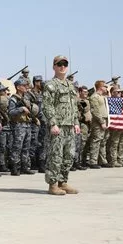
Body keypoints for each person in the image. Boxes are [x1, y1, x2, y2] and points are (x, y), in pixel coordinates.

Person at [42, 55, 81, 195]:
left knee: (69, 155)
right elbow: (47, 105)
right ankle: (52, 184)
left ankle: (62, 182)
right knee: (55, 155)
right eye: (59, 64)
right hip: (58, 126)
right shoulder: (50, 85)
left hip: (69, 126)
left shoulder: (70, 85)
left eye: (65, 64)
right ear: (54, 67)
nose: (62, 66)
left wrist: (76, 122)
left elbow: (74, 106)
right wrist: (53, 123)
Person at [7, 78, 34, 176]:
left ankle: (24, 166)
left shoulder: (26, 98)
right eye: (24, 85)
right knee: (17, 147)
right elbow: (10, 112)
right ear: (18, 87)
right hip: (18, 125)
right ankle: (15, 167)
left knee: (26, 147)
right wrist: (21, 109)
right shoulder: (13, 99)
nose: (26, 87)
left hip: (27, 124)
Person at [87, 80, 109, 169]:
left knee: (103, 141)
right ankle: (93, 161)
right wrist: (101, 122)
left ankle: (102, 160)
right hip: (98, 122)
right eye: (105, 86)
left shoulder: (102, 97)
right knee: (96, 141)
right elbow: (95, 111)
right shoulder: (94, 97)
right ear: (100, 87)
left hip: (105, 120)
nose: (106, 88)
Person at [0, 83, 11, 172]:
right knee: (2, 147)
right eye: (3, 90)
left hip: (8, 127)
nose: (5, 92)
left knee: (8, 147)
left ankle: (6, 163)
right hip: (2, 127)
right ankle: (1, 164)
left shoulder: (7, 100)